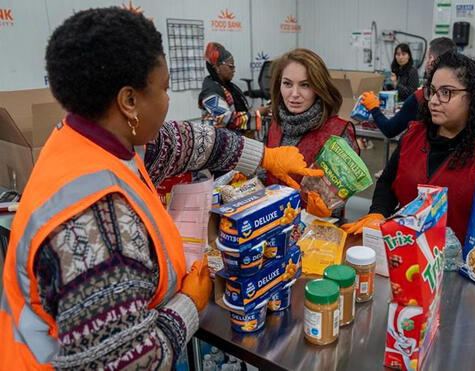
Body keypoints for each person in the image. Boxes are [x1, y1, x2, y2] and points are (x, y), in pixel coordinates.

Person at [0, 8, 321, 370]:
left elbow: (189, 142)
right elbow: (127, 363)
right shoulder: (95, 224)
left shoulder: (92, 137)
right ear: (129, 101)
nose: (169, 101)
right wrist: (188, 305)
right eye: (165, 88)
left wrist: (266, 156)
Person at [343, 52, 475, 242]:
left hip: (463, 266)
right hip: (405, 254)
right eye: (432, 91)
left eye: (446, 92)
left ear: (473, 95)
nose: (433, 100)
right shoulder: (416, 134)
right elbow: (388, 182)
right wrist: (378, 213)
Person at [266, 48, 359, 217]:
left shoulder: (336, 133)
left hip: (314, 232)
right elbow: (266, 174)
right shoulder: (275, 123)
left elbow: (337, 198)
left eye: (305, 85)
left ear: (319, 88)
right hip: (268, 224)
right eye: (287, 84)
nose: (294, 94)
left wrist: (327, 205)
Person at [360, 37, 457, 138]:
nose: (400, 57)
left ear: (431, 59)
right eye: (397, 54)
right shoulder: (461, 95)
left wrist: (373, 108)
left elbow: (389, 129)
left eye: (427, 58)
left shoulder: (421, 97)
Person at [198, 42, 269, 132]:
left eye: (234, 66)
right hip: (221, 142)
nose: (234, 70)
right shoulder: (210, 92)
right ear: (217, 67)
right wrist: (258, 113)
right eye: (231, 66)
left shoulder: (228, 86)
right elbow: (226, 120)